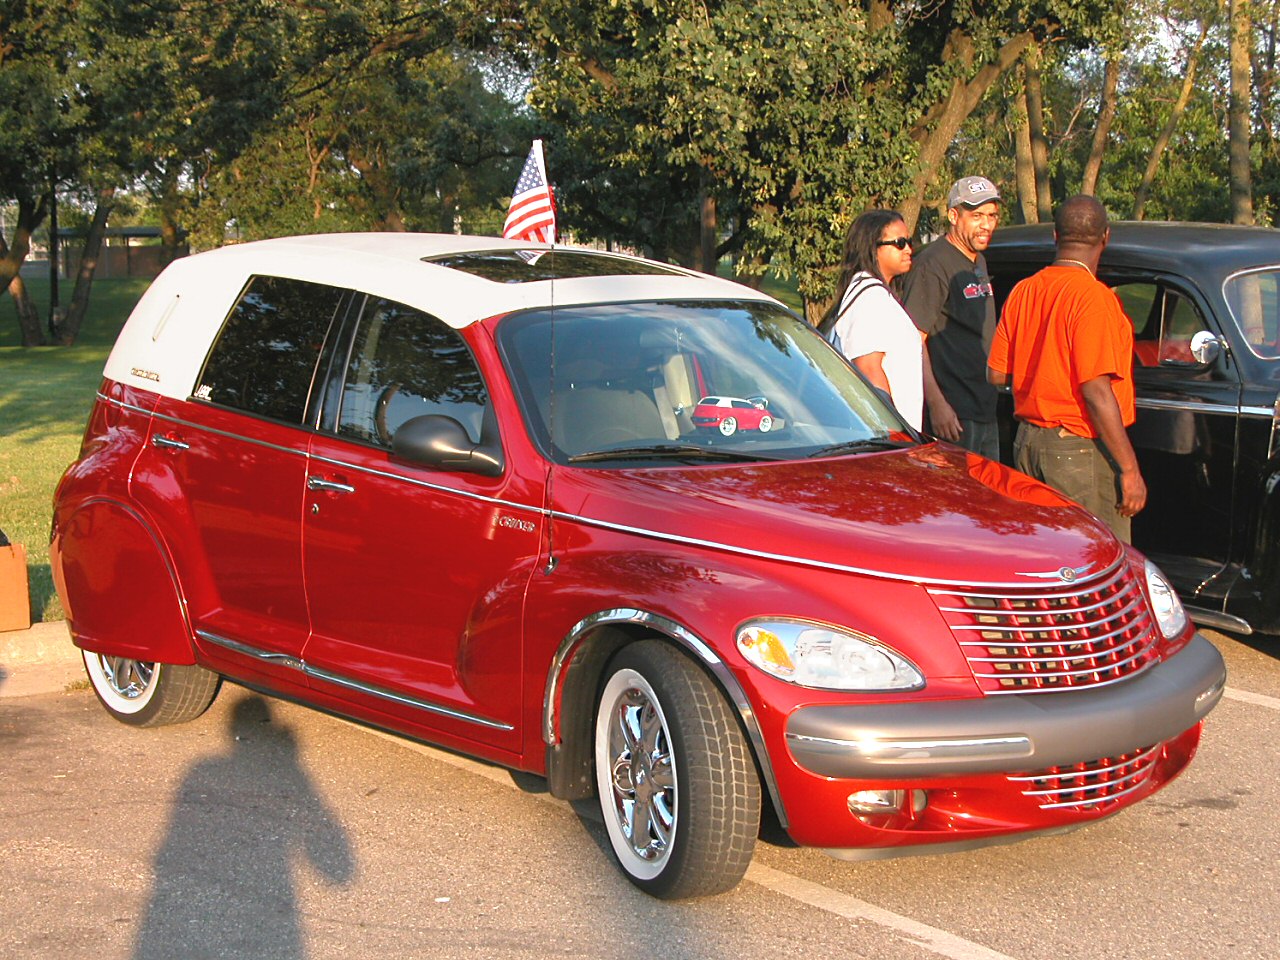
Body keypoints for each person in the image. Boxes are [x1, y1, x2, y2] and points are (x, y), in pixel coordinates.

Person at [986, 194, 1146, 541]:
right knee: (1094, 556)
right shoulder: (1094, 299)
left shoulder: (1023, 291)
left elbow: (997, 374)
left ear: (1056, 237)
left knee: (1041, 554)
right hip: (1076, 448)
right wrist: (1130, 469)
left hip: (1027, 441)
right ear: (1105, 237)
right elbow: (1096, 390)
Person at [901, 175, 1001, 458]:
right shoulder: (932, 264)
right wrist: (937, 404)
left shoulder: (978, 259)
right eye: (977, 215)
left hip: (984, 407)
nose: (986, 225)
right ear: (954, 216)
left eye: (992, 216)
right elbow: (913, 341)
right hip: (953, 415)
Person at [818, 209, 924, 430]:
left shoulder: (871, 292)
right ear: (872, 248)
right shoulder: (870, 298)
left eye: (909, 241)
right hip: (886, 437)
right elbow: (868, 368)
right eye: (899, 243)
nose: (908, 249)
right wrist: (894, 434)